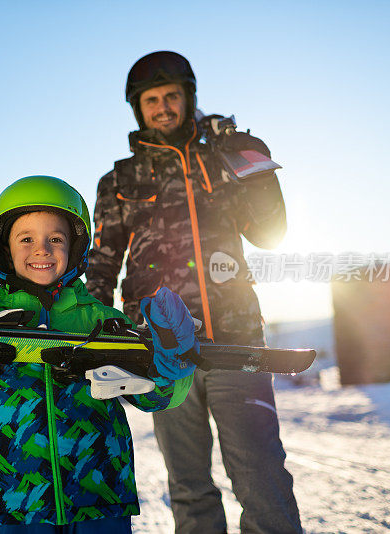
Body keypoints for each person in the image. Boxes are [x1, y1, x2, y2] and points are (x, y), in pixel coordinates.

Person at [0, 175, 197, 532]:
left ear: (76, 248)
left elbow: (158, 398)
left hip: (101, 502)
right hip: (16, 505)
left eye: (55, 238)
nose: (42, 249)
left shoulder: (103, 322)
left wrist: (173, 359)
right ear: (4, 249)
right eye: (26, 239)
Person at [85, 51, 302, 533]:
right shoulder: (118, 181)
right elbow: (101, 265)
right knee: (188, 484)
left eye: (172, 97)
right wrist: (96, 334)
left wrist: (256, 163)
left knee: (261, 476)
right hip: (161, 349)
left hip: (236, 341)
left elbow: (268, 233)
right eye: (152, 100)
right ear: (138, 109)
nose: (163, 107)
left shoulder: (222, 161)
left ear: (189, 99)